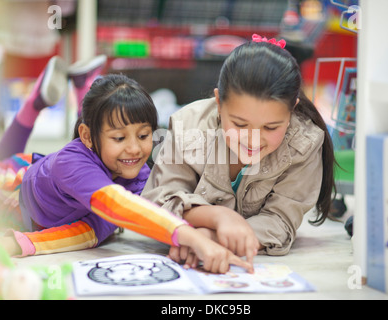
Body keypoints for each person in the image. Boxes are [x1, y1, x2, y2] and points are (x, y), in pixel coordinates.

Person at [0, 56, 253, 274]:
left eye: (144, 136)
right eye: (121, 137)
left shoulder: (136, 172)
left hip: (75, 177)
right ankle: (35, 102)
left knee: (101, 153)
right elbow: (115, 207)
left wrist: (207, 233)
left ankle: (83, 87)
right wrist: (16, 243)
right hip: (14, 181)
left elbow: (148, 211)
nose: (135, 148)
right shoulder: (72, 161)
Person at [142, 34, 336, 264]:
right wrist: (216, 217)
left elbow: (279, 221)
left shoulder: (305, 144)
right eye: (240, 124)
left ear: (292, 110)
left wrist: (208, 238)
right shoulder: (188, 125)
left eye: (271, 127)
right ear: (219, 103)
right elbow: (159, 201)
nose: (253, 140)